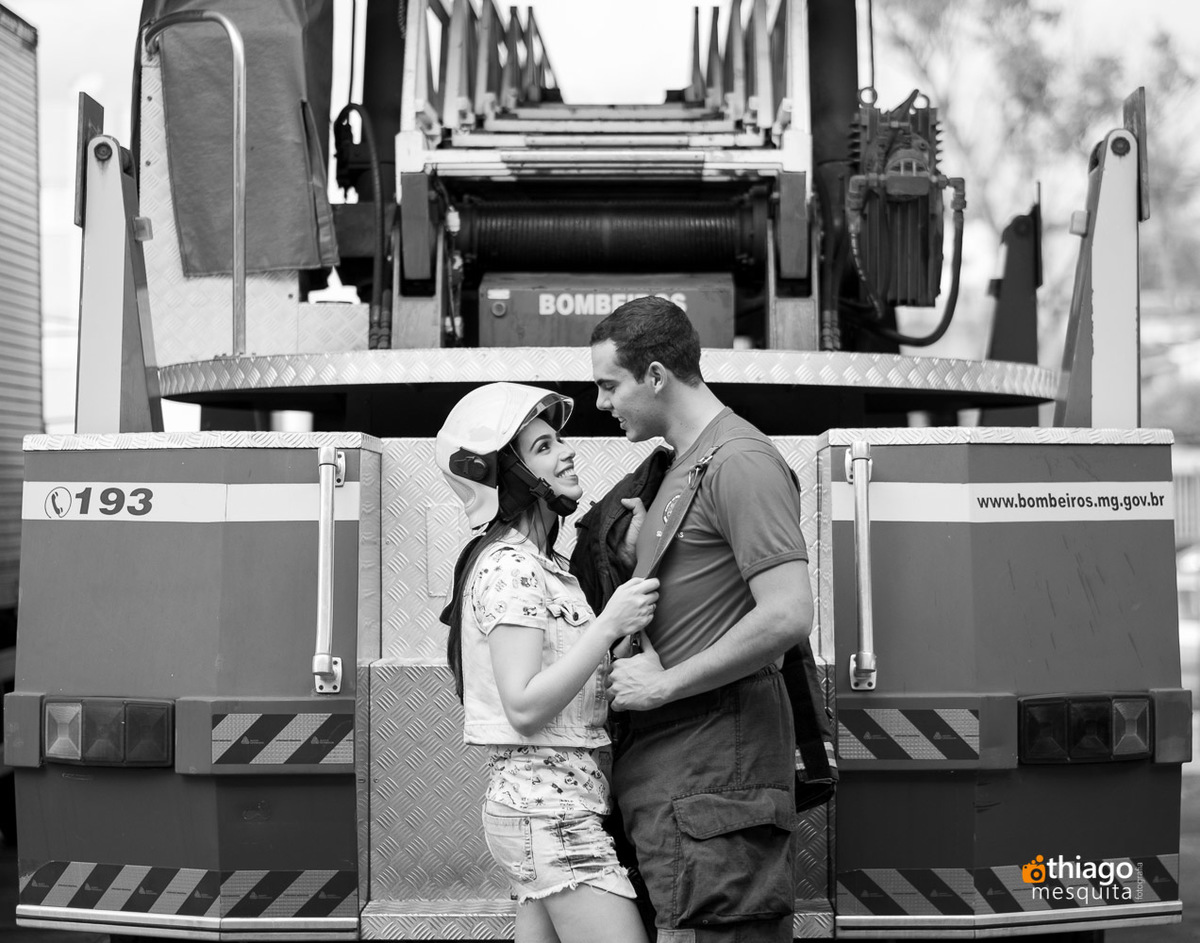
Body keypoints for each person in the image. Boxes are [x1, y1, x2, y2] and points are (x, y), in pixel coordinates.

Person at [582, 297, 815, 943]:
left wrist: (663, 684)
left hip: (715, 774)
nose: (603, 403)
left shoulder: (740, 460)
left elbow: (789, 611)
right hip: (678, 781)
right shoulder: (685, 465)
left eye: (609, 385)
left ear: (655, 375)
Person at [436, 381, 659, 943]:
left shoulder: (546, 567)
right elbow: (526, 705)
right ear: (503, 476)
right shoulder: (510, 567)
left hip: (557, 803)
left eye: (557, 440)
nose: (566, 452)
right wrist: (609, 621)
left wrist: (627, 586)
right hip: (547, 811)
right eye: (542, 447)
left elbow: (574, 677)